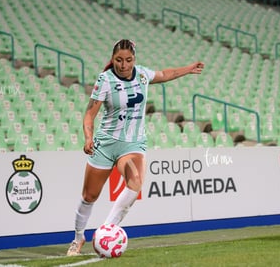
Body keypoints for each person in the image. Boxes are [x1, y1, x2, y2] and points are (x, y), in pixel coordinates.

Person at [67, 39, 204, 256]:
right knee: (89, 196)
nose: (123, 65)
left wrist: (188, 69)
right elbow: (89, 114)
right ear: (113, 59)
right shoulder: (105, 80)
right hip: (105, 145)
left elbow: (165, 74)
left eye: (128, 60)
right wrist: (87, 138)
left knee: (135, 182)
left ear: (134, 59)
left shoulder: (142, 75)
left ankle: (106, 232)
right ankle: (78, 238)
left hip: (132, 144)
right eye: (119, 60)